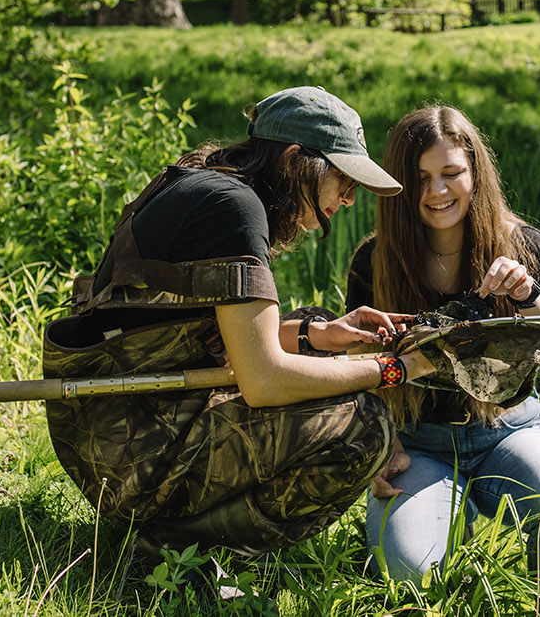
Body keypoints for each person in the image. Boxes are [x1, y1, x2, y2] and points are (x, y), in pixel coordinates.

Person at [43, 86, 438, 569]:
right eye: (343, 180)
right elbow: (264, 379)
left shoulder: (207, 184)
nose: (351, 199)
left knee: (316, 350)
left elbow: (221, 336)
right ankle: (168, 552)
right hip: (128, 448)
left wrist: (319, 334)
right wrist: (391, 370)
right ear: (296, 161)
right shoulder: (235, 209)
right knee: (365, 425)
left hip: (114, 426)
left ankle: (178, 537)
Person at [346, 106, 540, 610]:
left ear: (475, 172)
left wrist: (529, 296)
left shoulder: (525, 246)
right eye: (420, 179)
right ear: (398, 186)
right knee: (408, 572)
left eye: (450, 173)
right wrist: (376, 447)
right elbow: (358, 370)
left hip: (511, 433)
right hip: (421, 445)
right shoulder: (375, 260)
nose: (437, 192)